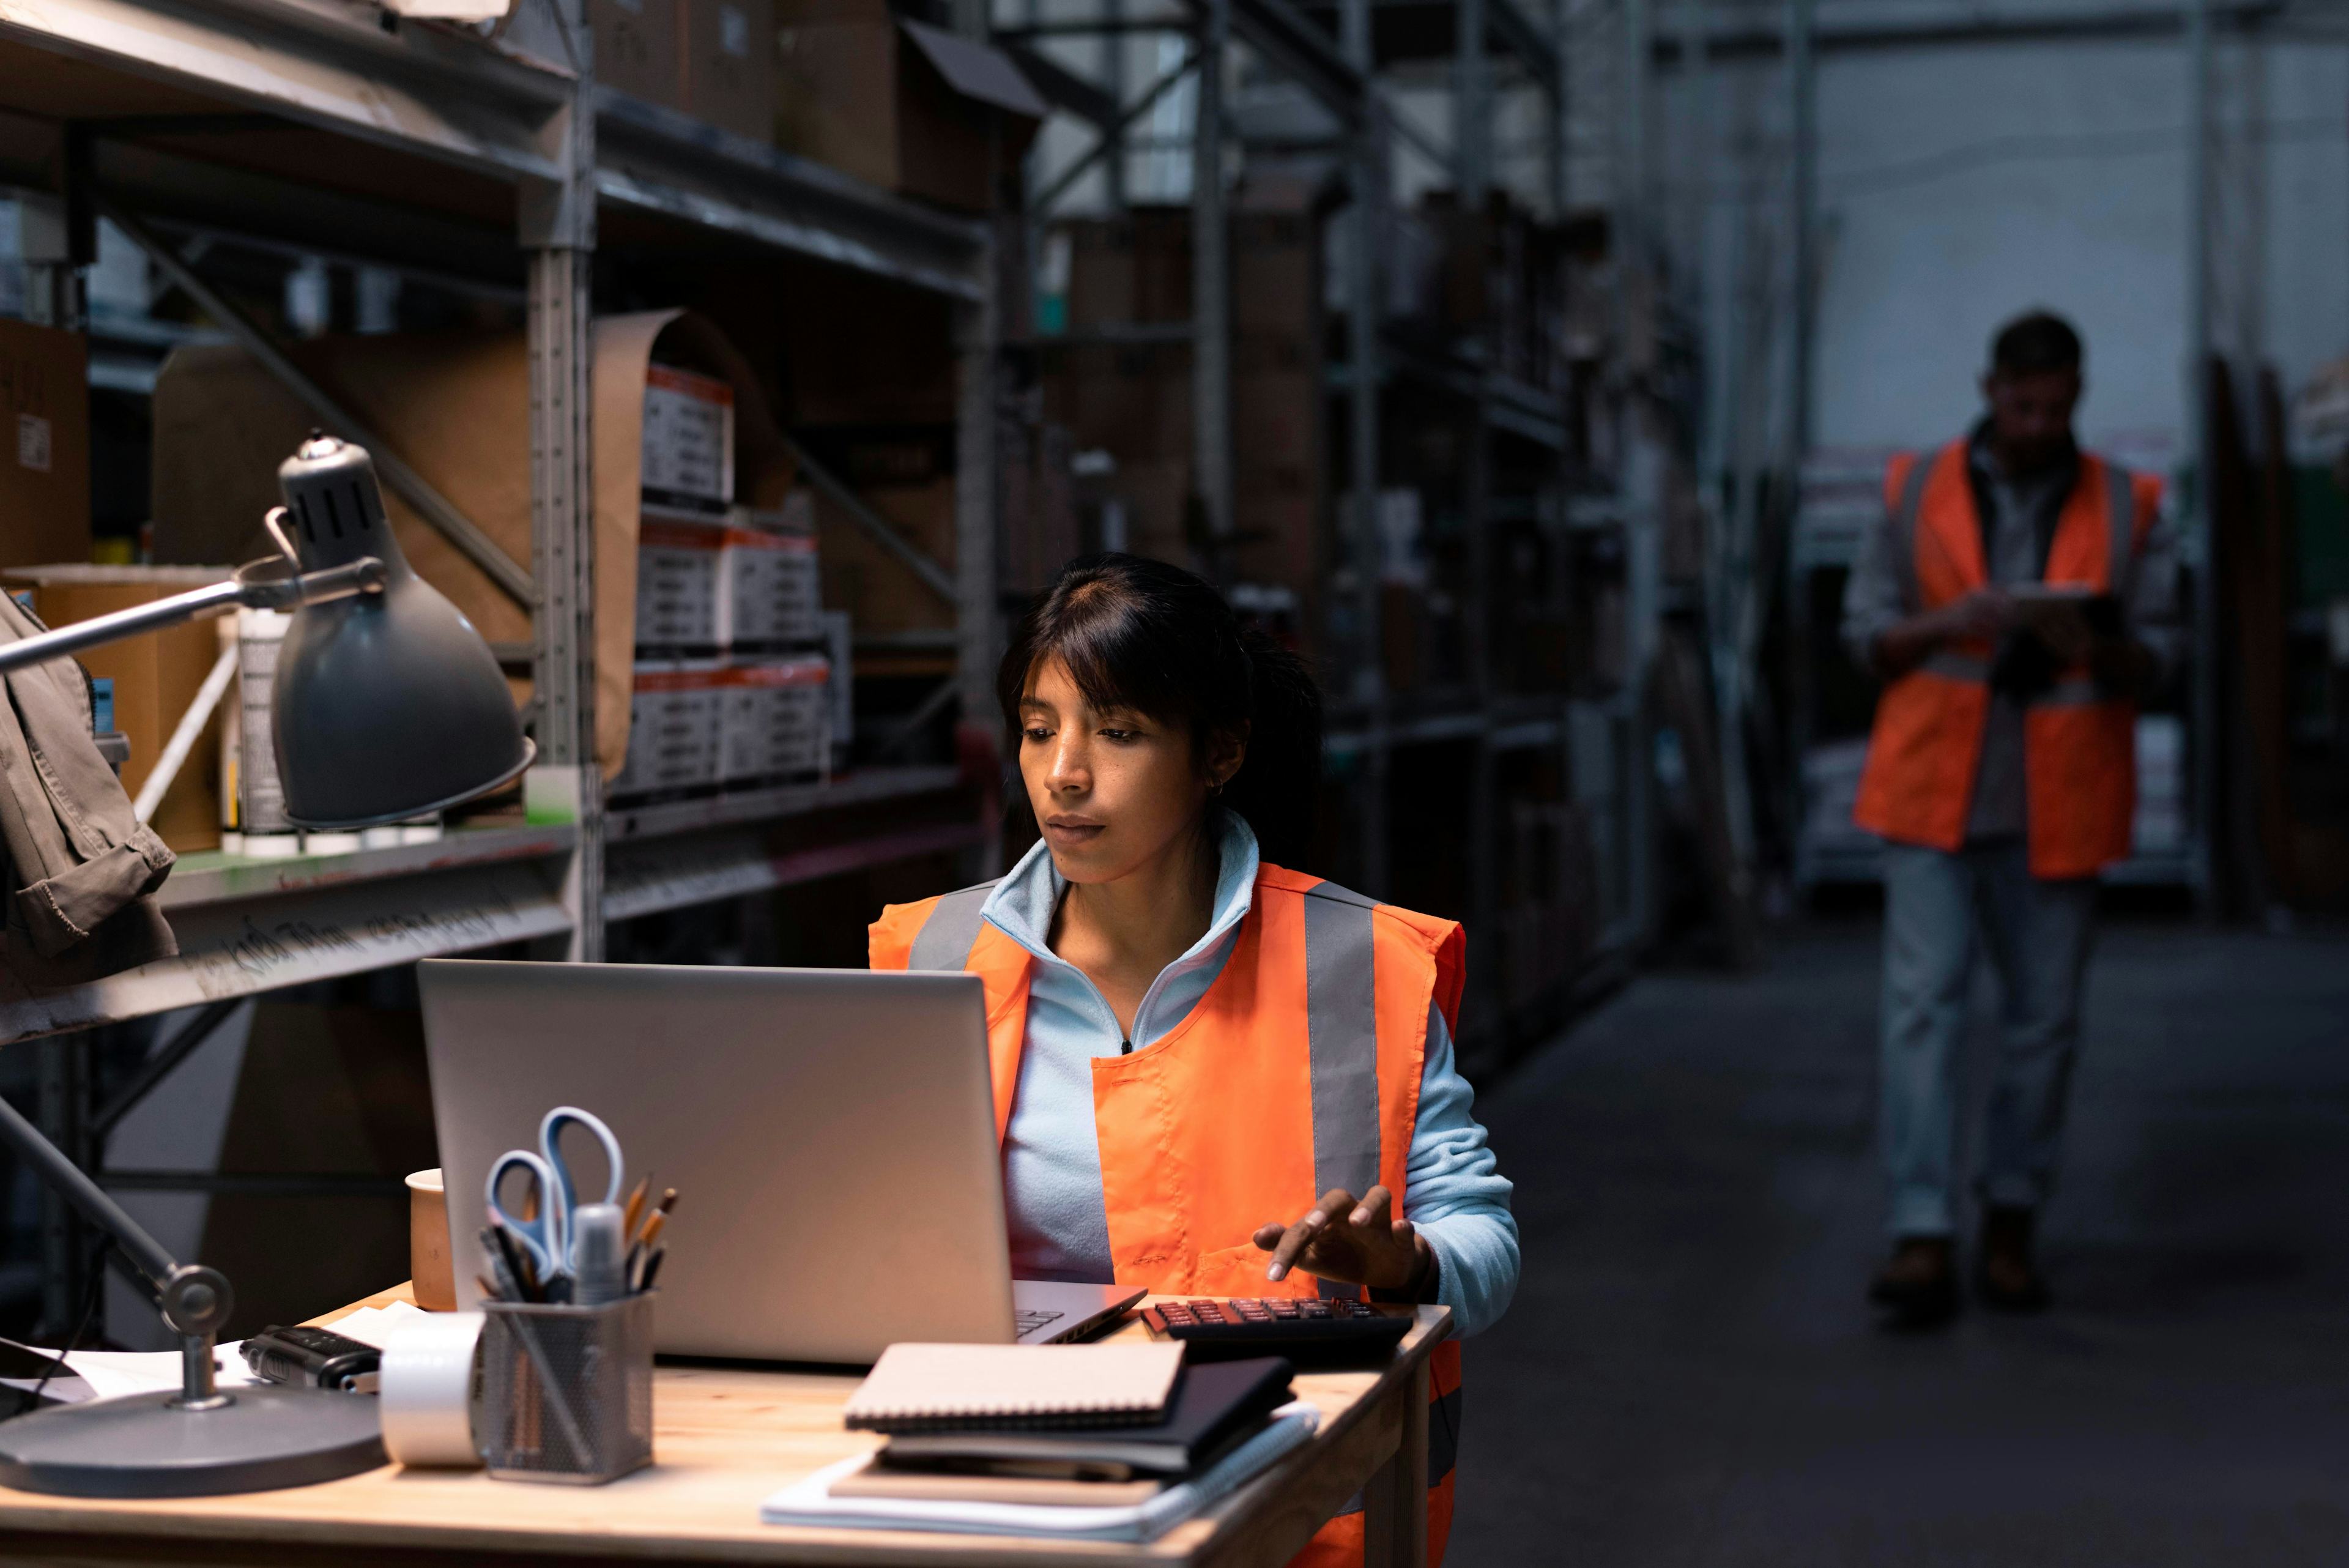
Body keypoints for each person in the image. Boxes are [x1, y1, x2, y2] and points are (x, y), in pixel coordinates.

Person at [869, 554, 1518, 1567]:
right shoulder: (934, 957)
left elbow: (1485, 1238)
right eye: (1039, 730)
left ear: (1218, 753)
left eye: (1117, 733)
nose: (1063, 773)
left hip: (1294, 1514)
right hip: (999, 1494)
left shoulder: (1359, 965)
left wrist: (1405, 1265)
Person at [1842, 310, 2179, 1325]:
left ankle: (2011, 1224)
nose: (2038, 423)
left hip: (2059, 803)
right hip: (1931, 795)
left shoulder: (2128, 502)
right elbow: (1862, 635)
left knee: (2044, 1029)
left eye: (2057, 406)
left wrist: (2097, 642)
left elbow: (2165, 650)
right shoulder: (1911, 491)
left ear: (2078, 394)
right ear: (1990, 389)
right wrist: (1948, 621)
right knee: (1920, 1016)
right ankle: (1921, 1235)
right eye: (2022, 404)